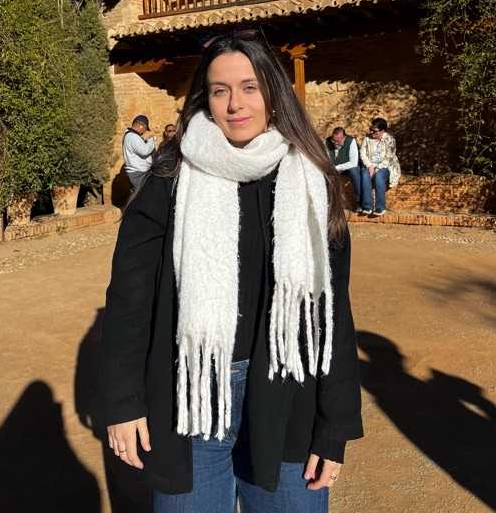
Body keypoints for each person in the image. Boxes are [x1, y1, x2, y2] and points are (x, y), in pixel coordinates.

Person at [102, 29, 363, 513]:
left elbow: (332, 311)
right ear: (205, 98)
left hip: (287, 395)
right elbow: (129, 299)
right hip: (191, 397)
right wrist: (123, 402)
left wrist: (334, 427)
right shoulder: (170, 177)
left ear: (273, 92)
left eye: (249, 87)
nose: (235, 104)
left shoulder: (310, 181)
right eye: (220, 90)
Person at [359, 117, 401, 216]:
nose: (371, 132)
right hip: (370, 165)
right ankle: (367, 206)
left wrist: (376, 169)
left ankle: (380, 207)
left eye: (374, 131)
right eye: (371, 129)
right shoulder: (367, 138)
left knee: (379, 176)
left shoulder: (390, 140)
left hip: (386, 166)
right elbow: (362, 153)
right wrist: (369, 166)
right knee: (364, 174)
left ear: (382, 131)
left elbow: (388, 158)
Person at [326, 127, 361, 209]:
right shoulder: (327, 141)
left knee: (354, 172)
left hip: (348, 168)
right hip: (333, 167)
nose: (335, 143)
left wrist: (337, 168)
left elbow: (353, 163)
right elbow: (325, 158)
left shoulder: (351, 141)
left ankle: (359, 200)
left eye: (337, 141)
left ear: (344, 138)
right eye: (333, 140)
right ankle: (330, 201)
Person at [122, 115, 155, 192]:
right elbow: (145, 151)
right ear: (141, 125)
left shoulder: (131, 136)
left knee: (139, 195)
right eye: (145, 129)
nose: (144, 132)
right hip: (139, 174)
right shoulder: (132, 136)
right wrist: (151, 140)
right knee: (142, 195)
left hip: (138, 173)